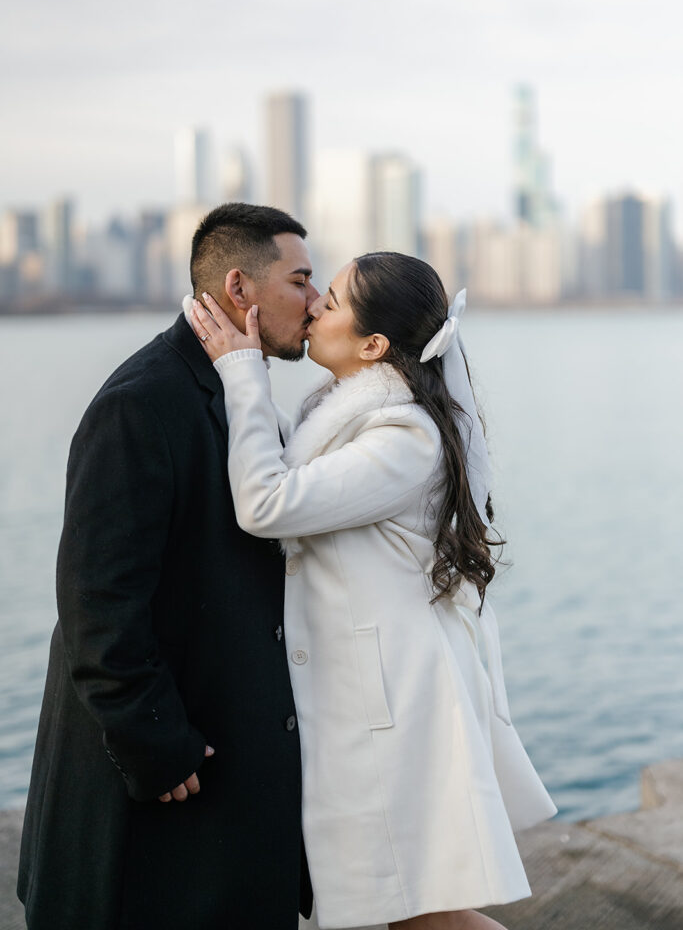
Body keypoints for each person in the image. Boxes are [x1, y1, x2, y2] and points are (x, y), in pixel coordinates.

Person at [189, 251, 557, 930]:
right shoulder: (339, 417)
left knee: (423, 917)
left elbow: (267, 504)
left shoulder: (403, 436)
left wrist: (240, 374)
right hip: (362, 699)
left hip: (395, 706)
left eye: (329, 300)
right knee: (399, 913)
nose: (313, 309)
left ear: (373, 345)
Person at [18, 203, 318, 930]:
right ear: (240, 290)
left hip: (220, 795)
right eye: (302, 280)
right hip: (157, 796)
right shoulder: (141, 404)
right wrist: (157, 744)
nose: (317, 301)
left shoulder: (228, 385)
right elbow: (96, 601)